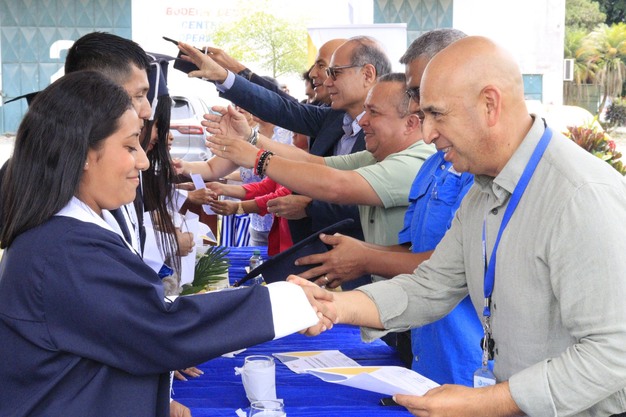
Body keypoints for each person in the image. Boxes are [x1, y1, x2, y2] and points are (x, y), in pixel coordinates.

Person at [292, 36, 626, 417]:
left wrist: (489, 402)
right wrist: (334, 306)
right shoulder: (482, 191)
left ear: (489, 105)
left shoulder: (580, 195)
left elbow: (613, 352)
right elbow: (430, 285)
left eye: (437, 114)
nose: (427, 133)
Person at [0, 71, 330, 417]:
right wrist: (288, 301)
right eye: (130, 146)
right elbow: (161, 329)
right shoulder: (65, 249)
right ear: (82, 152)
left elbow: (120, 327)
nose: (143, 162)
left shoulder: (65, 234)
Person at [293, 28, 482, 386]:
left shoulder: (539, 183)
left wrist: (365, 261)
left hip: (470, 372)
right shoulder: (435, 165)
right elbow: (429, 269)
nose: (421, 118)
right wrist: (340, 297)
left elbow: (447, 273)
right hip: (426, 357)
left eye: (425, 98)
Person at [178, 36, 391, 289]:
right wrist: (226, 78)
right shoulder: (335, 119)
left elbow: (367, 199)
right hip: (315, 261)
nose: (321, 78)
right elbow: (285, 113)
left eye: (332, 71)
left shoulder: (391, 136)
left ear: (367, 74)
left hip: (366, 273)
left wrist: (309, 206)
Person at [205, 73, 435, 275]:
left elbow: (336, 186)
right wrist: (251, 138)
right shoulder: (377, 155)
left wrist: (258, 159)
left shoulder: (415, 162)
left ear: (411, 123)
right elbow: (311, 162)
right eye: (365, 111)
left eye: (373, 112)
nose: (363, 121)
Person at [206, 177, 293, 256]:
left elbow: (283, 197)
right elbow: (264, 187)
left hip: (293, 237)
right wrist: (222, 188)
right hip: (279, 234)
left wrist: (238, 207)